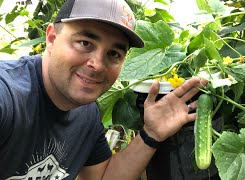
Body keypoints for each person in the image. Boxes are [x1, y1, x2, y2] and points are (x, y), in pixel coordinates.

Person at [0, 0, 207, 179]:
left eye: (114, 54)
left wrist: (151, 133)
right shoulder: (8, 95)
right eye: (85, 43)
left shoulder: (87, 114)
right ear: (52, 38)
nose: (98, 65)